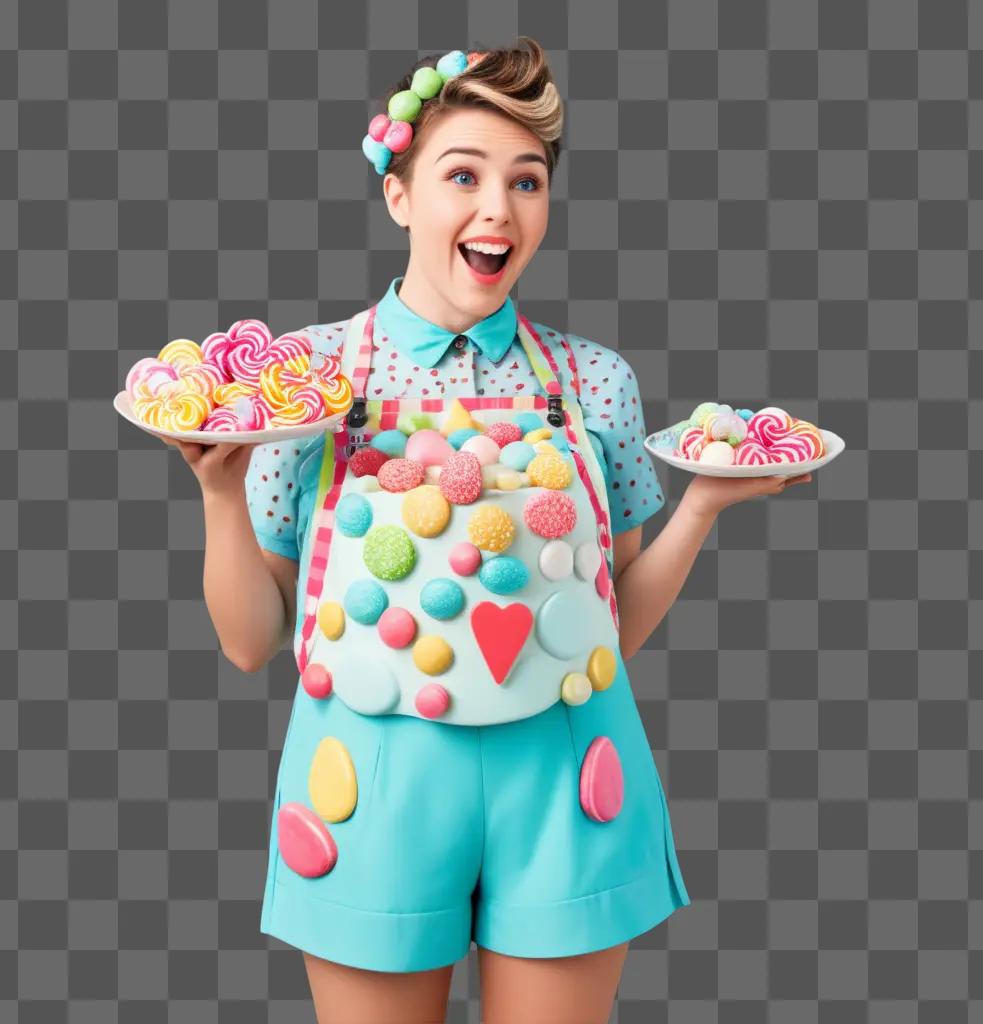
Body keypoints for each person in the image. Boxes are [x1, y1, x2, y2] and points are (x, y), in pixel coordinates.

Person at [162, 36, 811, 1024]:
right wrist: (218, 493)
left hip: (568, 772)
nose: (497, 210)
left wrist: (703, 505)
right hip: (367, 781)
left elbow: (608, 628)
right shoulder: (309, 380)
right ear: (399, 195)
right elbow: (250, 642)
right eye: (462, 174)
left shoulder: (595, 382)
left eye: (527, 180)